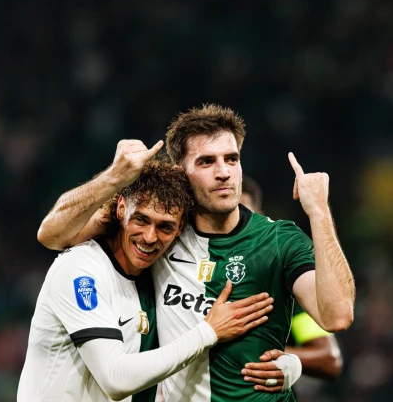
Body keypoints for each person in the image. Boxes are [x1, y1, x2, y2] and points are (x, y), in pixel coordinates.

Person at [38, 104, 355, 401]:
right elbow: (52, 234)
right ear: (181, 173)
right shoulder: (163, 232)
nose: (223, 172)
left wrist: (319, 212)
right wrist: (113, 178)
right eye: (206, 162)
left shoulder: (279, 240)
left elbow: (338, 316)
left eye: (231, 159)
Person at [18, 157, 279, 402]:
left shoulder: (158, 275)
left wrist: (289, 365)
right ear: (121, 209)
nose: (150, 237)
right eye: (141, 220)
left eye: (164, 226)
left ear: (179, 229)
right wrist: (208, 331)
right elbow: (115, 379)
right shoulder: (81, 270)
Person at [240, 175, 343, 382]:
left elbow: (329, 359)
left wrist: (264, 351)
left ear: (260, 219)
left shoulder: (285, 283)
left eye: (242, 214)